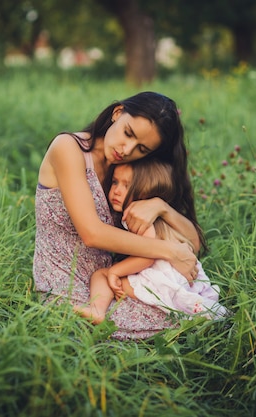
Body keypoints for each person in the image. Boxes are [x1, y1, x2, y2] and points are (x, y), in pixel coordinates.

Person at [33, 91, 205, 340]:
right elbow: (92, 234)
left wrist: (161, 206)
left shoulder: (127, 169)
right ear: (117, 113)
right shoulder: (69, 148)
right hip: (63, 279)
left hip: (110, 281)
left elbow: (193, 244)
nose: (127, 150)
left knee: (182, 312)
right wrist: (169, 250)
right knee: (171, 319)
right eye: (128, 133)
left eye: (142, 149)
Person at [74, 160, 230, 324]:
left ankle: (97, 310)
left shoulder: (136, 217)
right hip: (180, 278)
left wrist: (115, 271)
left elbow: (148, 256)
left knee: (101, 275)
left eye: (127, 186)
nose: (117, 191)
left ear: (144, 192)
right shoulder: (158, 218)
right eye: (115, 182)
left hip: (160, 279)